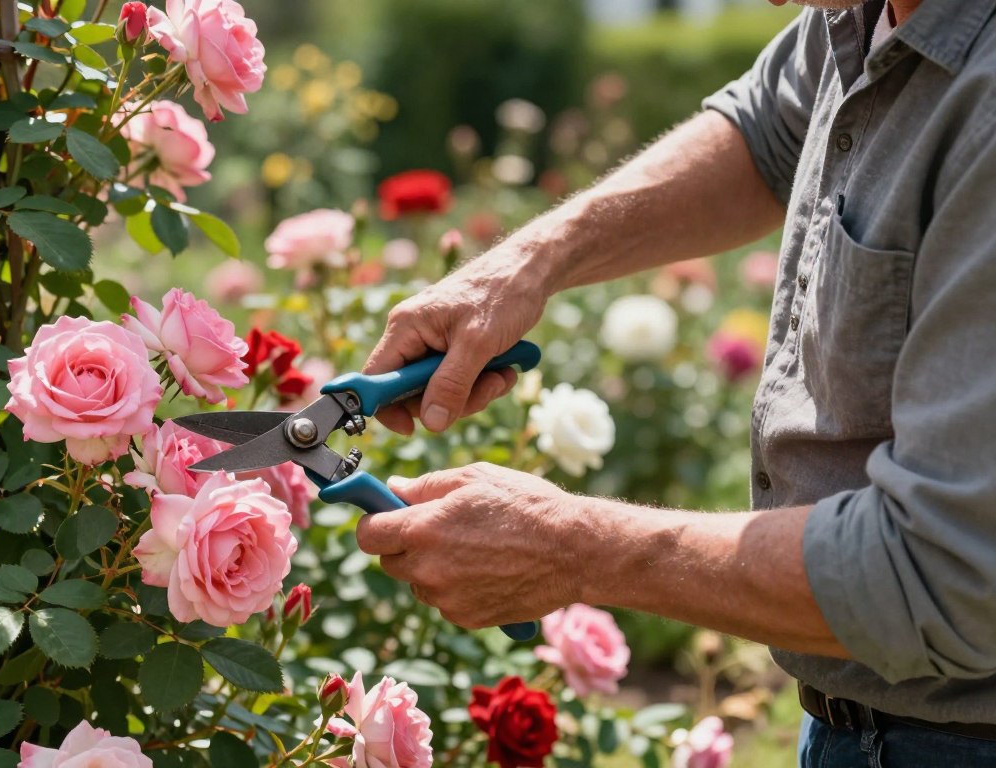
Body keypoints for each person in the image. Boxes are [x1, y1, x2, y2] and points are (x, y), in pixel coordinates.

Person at [353, 0, 996, 764]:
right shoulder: (866, 14)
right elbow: (765, 131)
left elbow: (941, 569)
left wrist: (572, 547)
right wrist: (525, 265)